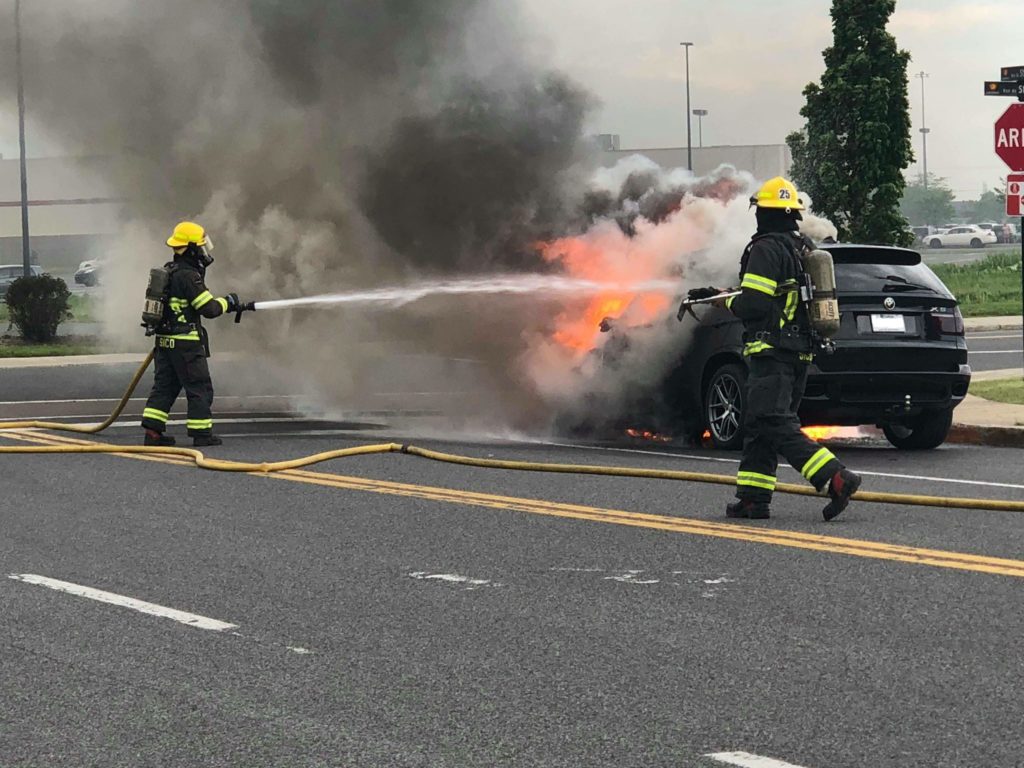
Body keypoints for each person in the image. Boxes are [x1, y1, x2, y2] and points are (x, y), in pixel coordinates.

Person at [689, 177, 861, 521]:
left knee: (772, 420)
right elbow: (774, 294)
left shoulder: (766, 248)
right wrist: (718, 291)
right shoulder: (801, 247)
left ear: (764, 213)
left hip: (772, 352)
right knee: (760, 425)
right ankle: (753, 499)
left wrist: (727, 304)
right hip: (797, 352)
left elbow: (754, 303)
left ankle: (835, 476)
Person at [140, 221, 246, 448]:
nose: (203, 252)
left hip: (165, 342)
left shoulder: (168, 272)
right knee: (200, 388)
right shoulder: (189, 277)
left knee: (164, 387)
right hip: (186, 345)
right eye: (200, 247)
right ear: (191, 248)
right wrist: (229, 302)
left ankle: (153, 433)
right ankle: (201, 434)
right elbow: (209, 309)